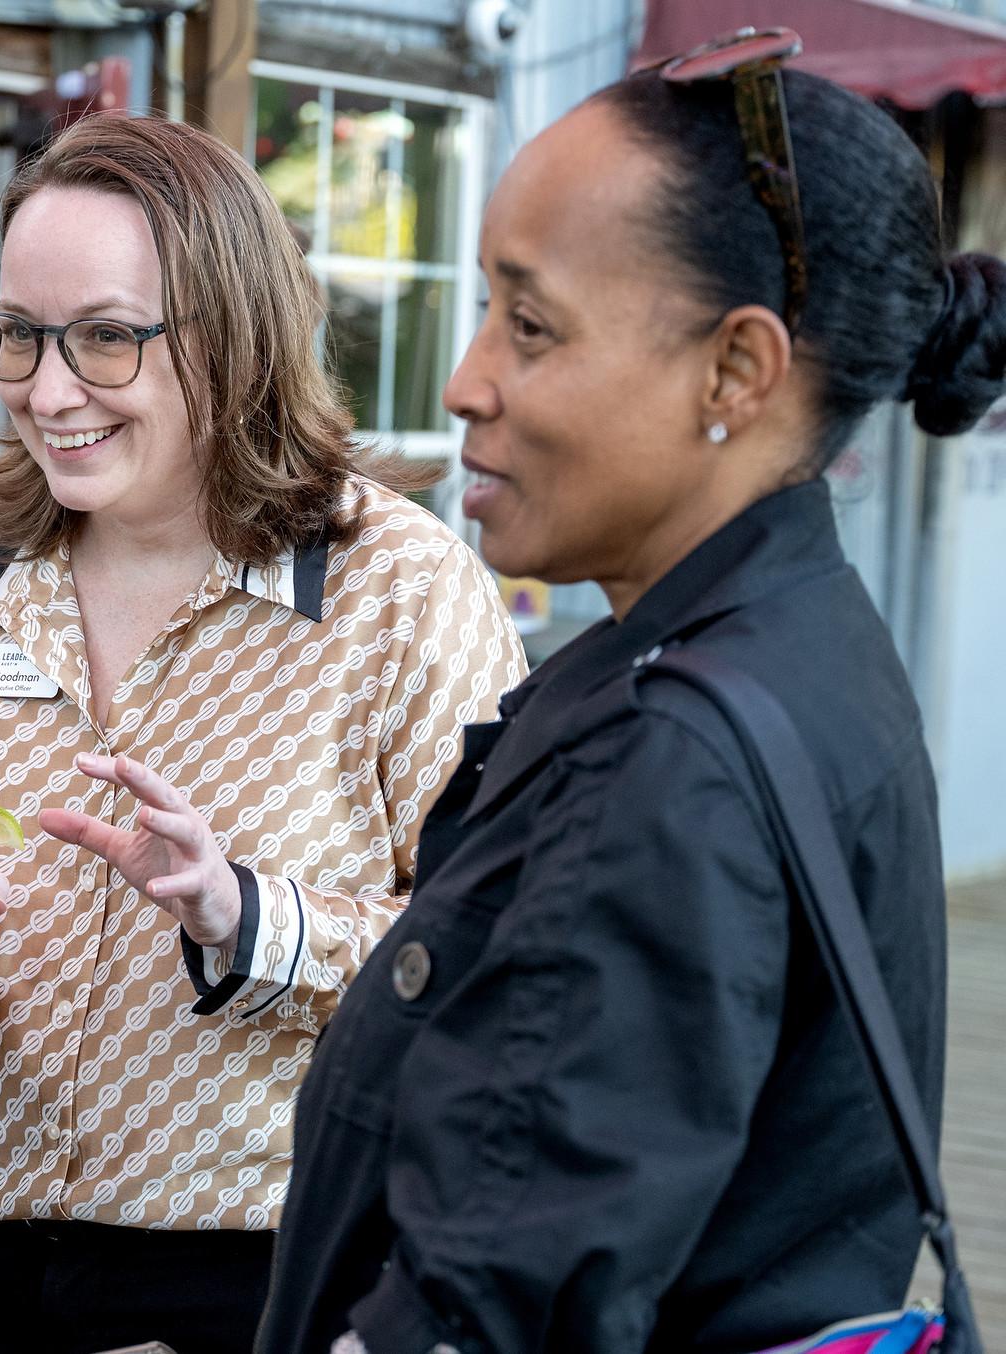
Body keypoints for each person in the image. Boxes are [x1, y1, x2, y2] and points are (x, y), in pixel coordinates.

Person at [260, 31, 996, 1353]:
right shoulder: (805, 633)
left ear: (736, 371)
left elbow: (489, 1305)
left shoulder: (668, 760)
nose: (464, 380)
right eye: (483, 306)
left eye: (530, 324)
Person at [0, 112, 527, 1354]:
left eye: (105, 337)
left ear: (232, 334)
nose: (45, 390)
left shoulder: (401, 593)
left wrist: (246, 916)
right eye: (15, 334)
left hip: (246, 1263)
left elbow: (493, 957)